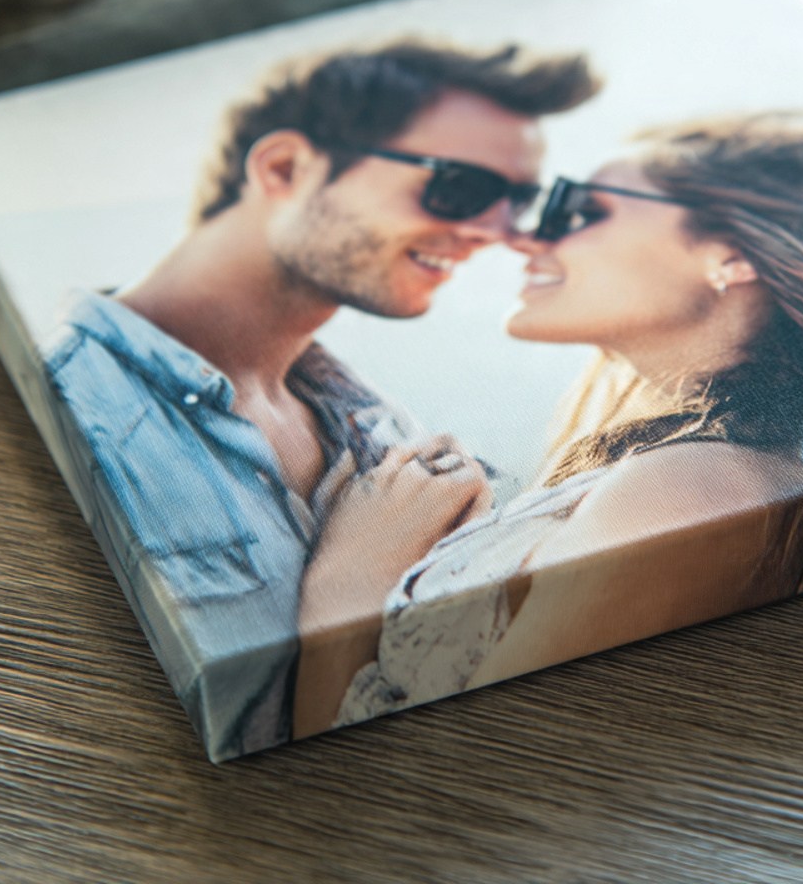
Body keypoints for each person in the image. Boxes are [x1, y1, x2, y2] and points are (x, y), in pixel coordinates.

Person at [311, 117, 803, 733]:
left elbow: (453, 763)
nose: (528, 238)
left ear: (730, 255)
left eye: (581, 211)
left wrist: (352, 577)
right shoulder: (721, 473)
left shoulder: (692, 488)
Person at [39, 38, 599, 760]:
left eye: (518, 202)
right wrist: (350, 587)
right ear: (284, 168)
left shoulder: (384, 428)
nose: (494, 234)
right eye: (459, 186)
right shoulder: (67, 413)